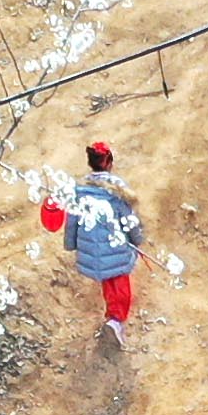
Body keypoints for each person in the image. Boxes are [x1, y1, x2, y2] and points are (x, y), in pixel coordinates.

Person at [47, 143, 144, 343]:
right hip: (116, 247)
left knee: (109, 284)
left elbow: (72, 220)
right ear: (109, 163)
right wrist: (137, 240)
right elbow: (129, 220)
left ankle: (112, 317)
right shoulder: (117, 192)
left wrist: (72, 244)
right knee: (122, 286)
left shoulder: (80, 191)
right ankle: (117, 321)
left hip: (94, 251)